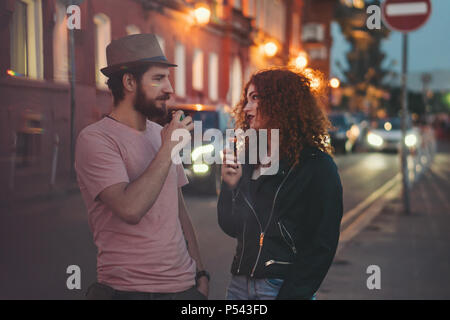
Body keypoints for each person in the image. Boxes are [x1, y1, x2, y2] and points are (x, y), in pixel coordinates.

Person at [75, 34, 209, 300]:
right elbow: (130, 209)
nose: (170, 89)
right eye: (158, 78)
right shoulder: (96, 139)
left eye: (168, 78)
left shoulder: (159, 133)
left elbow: (179, 211)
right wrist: (168, 148)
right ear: (129, 82)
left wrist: (201, 276)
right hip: (130, 291)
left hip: (186, 289)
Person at [218, 68, 343, 300]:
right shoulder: (249, 158)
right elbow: (230, 226)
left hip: (280, 288)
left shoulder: (317, 166)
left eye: (255, 99)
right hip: (238, 286)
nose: (246, 108)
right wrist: (229, 187)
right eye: (247, 99)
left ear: (283, 103)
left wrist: (292, 296)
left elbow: (321, 245)